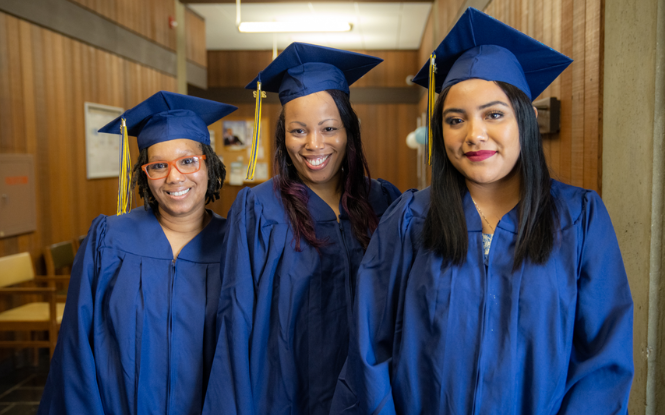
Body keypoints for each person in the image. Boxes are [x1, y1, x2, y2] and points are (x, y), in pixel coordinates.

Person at [331, 8, 634, 414]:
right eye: (455, 120)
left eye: (494, 114)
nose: (474, 135)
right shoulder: (410, 220)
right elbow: (370, 346)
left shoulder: (579, 220)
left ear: (523, 121)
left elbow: (603, 360)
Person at [202, 43, 402, 415]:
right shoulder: (258, 210)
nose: (314, 144)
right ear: (282, 136)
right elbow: (236, 318)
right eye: (298, 131)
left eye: (329, 128)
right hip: (283, 394)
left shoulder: (384, 202)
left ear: (348, 132)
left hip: (368, 391)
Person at [38, 91, 237, 415]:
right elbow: (76, 347)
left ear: (209, 165)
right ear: (145, 173)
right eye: (158, 165)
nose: (174, 177)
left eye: (188, 161)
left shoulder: (237, 245)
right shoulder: (108, 242)